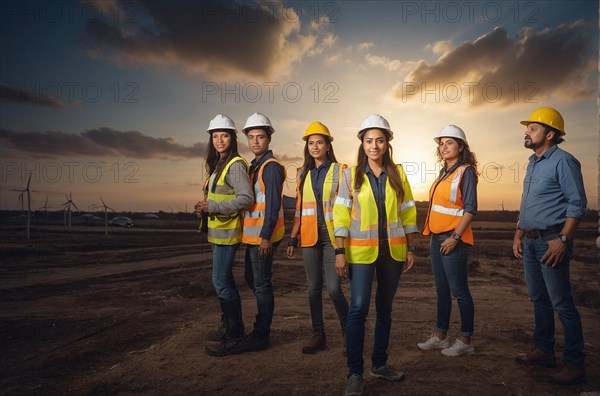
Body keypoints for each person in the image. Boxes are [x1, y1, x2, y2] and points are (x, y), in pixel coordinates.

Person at [334, 114, 418, 396]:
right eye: (369, 140)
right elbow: (340, 215)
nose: (374, 145)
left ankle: (379, 364)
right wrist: (339, 251)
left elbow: (407, 211)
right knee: (358, 309)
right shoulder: (350, 175)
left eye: (379, 140)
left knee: (385, 310)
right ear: (362, 143)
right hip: (360, 253)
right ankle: (355, 373)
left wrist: (410, 246)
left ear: (387, 143)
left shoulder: (399, 174)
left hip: (393, 252)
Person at [512, 107, 587, 386]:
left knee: (562, 303)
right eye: (527, 128)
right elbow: (527, 202)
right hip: (530, 240)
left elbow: (577, 205)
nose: (526, 132)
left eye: (532, 128)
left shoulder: (564, 162)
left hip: (551, 241)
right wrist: (518, 232)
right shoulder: (533, 162)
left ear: (550, 134)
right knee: (538, 299)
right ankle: (544, 351)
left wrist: (564, 240)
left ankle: (575, 364)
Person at [286, 122, 349, 354]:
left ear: (328, 145)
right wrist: (293, 238)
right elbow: (301, 209)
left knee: (334, 289)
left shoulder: (341, 170)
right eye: (311, 143)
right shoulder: (302, 173)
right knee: (313, 289)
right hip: (309, 236)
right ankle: (318, 334)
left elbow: (347, 205)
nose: (315, 147)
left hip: (332, 237)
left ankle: (348, 330)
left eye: (319, 142)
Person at [195, 114, 253, 357]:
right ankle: (230, 328)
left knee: (220, 281)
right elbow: (221, 197)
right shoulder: (219, 164)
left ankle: (234, 334)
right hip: (217, 232)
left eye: (224, 135)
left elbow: (246, 198)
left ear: (233, 138)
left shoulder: (235, 164)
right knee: (224, 281)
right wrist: (205, 206)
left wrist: (214, 208)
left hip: (228, 233)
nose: (219, 140)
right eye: (215, 136)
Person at [418, 125, 478, 357]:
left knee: (459, 291)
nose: (443, 147)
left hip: (454, 240)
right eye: (441, 143)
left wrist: (454, 237)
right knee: (442, 291)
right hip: (436, 239)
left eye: (449, 142)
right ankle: (441, 337)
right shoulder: (445, 172)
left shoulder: (466, 171)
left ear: (461, 146)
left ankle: (466, 340)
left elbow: (470, 209)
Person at [237, 112, 286, 353]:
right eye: (252, 137)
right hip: (254, 236)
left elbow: (273, 203)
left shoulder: (271, 167)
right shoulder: (254, 166)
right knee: (253, 280)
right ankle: (261, 328)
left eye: (260, 137)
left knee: (262, 284)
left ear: (269, 139)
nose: (256, 141)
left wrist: (266, 237)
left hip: (263, 238)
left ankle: (261, 334)